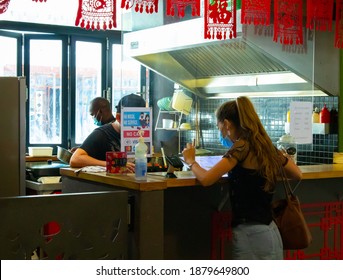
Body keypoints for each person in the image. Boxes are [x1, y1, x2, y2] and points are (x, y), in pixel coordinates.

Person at [182, 96, 302, 260]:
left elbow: (207, 179)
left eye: (220, 128)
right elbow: (297, 174)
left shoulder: (241, 146)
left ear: (227, 124)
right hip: (272, 232)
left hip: (251, 235)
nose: (221, 133)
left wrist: (191, 161)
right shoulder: (267, 147)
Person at [70, 94, 146, 169]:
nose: (137, 126)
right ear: (118, 117)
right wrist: (112, 163)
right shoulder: (102, 133)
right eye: (133, 121)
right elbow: (75, 159)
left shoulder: (140, 134)